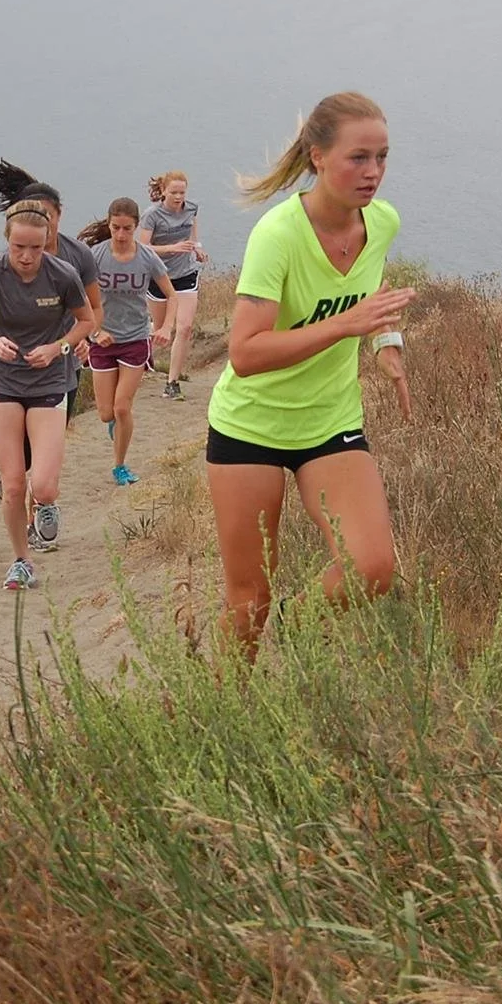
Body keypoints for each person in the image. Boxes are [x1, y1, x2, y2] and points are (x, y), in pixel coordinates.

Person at [205, 92, 416, 660]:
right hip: (250, 428)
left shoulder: (383, 222)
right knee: (249, 600)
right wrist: (349, 325)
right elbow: (245, 353)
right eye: (358, 158)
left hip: (330, 422)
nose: (373, 173)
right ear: (318, 157)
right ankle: (223, 718)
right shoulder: (279, 235)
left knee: (372, 567)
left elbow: (372, 292)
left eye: (382, 157)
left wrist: (384, 343)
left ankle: (297, 633)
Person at [0, 200, 97, 590]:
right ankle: (21, 560)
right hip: (3, 383)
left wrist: (58, 348)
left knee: (44, 485)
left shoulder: (62, 274)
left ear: (47, 240)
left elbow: (87, 321)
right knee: (14, 483)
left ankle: (47, 506)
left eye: (35, 247)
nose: (27, 256)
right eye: (19, 247)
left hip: (49, 382)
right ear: (7, 241)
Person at [0, 160, 103, 549]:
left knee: (44, 464)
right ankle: (21, 496)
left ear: (57, 217)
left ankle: (39, 509)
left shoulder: (77, 258)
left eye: (48, 218)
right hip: (12, 373)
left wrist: (75, 340)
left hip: (61, 367)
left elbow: (93, 311)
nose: (41, 229)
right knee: (21, 462)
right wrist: (5, 340)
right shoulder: (5, 265)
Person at [79, 198, 177, 485]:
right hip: (103, 341)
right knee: (105, 413)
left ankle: (119, 466)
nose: (121, 235)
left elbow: (171, 295)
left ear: (136, 227)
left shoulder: (146, 257)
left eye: (127, 229)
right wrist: (94, 333)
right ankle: (117, 427)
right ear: (108, 225)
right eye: (115, 228)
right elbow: (79, 299)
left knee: (123, 407)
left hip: (135, 338)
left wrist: (166, 327)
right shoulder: (95, 256)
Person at [139, 171, 206, 401]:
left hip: (186, 274)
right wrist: (171, 248)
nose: (179, 197)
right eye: (174, 192)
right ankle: (144, 341)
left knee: (185, 327)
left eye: (182, 192)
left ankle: (172, 382)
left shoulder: (192, 207)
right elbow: (143, 247)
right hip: (158, 276)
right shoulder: (152, 215)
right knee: (160, 330)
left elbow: (193, 232)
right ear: (164, 191)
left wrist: (197, 249)